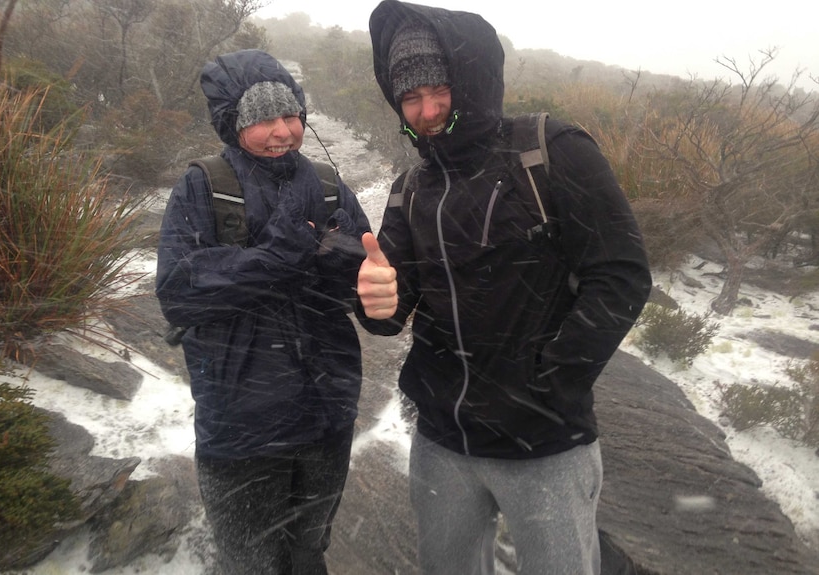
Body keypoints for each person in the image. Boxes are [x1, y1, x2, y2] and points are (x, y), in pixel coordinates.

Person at [356, 2, 652, 574]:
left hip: (544, 442)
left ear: (472, 79)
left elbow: (620, 272)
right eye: (410, 99)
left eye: (439, 90)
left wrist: (554, 378)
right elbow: (391, 309)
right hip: (442, 440)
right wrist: (374, 302)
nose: (427, 111)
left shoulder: (550, 149)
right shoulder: (410, 188)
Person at [155, 49, 371, 575]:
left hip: (326, 417)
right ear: (233, 124)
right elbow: (179, 291)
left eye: (290, 115)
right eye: (262, 119)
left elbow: (371, 286)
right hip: (240, 432)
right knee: (250, 561)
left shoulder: (325, 185)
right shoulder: (204, 186)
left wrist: (353, 269)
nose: (282, 130)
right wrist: (272, 259)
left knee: (308, 551)